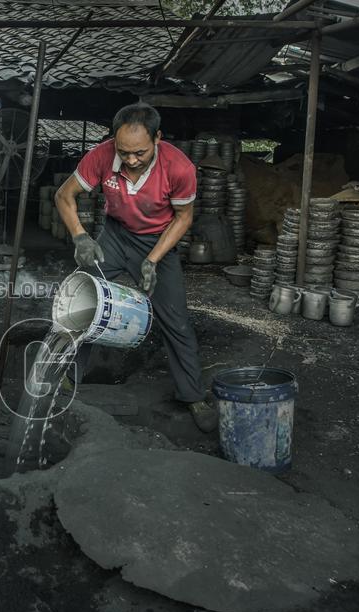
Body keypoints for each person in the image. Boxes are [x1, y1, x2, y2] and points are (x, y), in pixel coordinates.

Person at [54, 102, 217, 432]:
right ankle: (66, 378)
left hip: (158, 240)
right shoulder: (101, 156)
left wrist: (153, 260)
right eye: (123, 151)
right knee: (80, 303)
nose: (130, 160)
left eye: (139, 152)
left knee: (176, 320)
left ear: (157, 138)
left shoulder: (179, 168)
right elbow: (63, 195)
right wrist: (81, 237)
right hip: (114, 237)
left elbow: (183, 218)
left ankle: (193, 395)